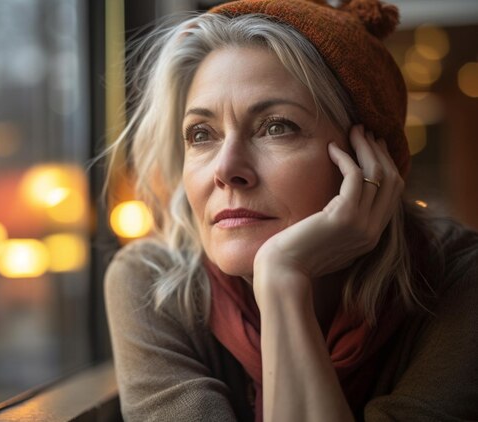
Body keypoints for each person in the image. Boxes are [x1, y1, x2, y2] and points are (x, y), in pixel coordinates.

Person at [103, 0, 478, 420]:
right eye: (201, 134)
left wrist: (281, 279)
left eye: (277, 127)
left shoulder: (462, 279)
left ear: (368, 157)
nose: (226, 170)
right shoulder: (152, 283)